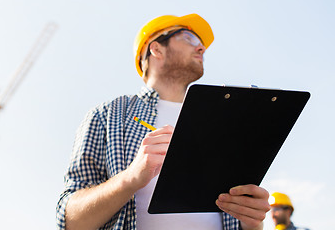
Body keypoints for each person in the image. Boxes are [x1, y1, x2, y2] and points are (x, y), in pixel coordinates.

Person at [56, 13, 271, 230]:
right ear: (156, 49)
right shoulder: (108, 115)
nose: (201, 49)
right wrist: (130, 178)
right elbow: (71, 221)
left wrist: (252, 223)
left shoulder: (224, 122)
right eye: (190, 38)